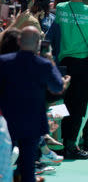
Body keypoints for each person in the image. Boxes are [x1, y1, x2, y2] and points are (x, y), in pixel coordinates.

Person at [0, 26, 69, 182]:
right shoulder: (43, 64)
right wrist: (51, 60)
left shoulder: (4, 62)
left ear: (19, 41)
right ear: (38, 43)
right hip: (32, 122)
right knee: (27, 167)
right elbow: (58, 86)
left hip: (7, 119)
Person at [51, 0, 88, 159]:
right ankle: (71, 145)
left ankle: (57, 140)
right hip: (82, 64)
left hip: (63, 63)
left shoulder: (60, 8)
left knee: (61, 103)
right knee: (78, 106)